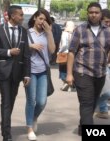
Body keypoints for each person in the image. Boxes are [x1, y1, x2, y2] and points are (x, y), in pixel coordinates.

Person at [66, 2, 110, 135]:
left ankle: (83, 126)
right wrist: (69, 74)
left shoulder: (107, 31)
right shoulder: (80, 30)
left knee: (92, 103)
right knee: (86, 103)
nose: (94, 15)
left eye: (96, 12)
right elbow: (71, 52)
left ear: (100, 14)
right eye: (91, 12)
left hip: (100, 73)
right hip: (82, 72)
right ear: (87, 13)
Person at [0, 5, 31, 141]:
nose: (22, 17)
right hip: (4, 71)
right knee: (6, 101)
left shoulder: (24, 31)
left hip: (17, 72)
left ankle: (4, 123)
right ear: (13, 16)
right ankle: (6, 134)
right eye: (20, 15)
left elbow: (26, 54)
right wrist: (8, 52)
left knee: (11, 101)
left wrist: (27, 74)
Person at [24, 8, 55, 140]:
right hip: (30, 71)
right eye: (40, 18)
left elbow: (52, 50)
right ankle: (29, 127)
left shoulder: (47, 34)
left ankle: (34, 117)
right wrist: (31, 46)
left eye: (45, 20)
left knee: (42, 101)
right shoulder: (27, 33)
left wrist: (49, 32)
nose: (42, 22)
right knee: (31, 100)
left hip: (43, 71)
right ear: (35, 18)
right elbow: (19, 49)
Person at [95, 8, 110, 119]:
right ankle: (102, 108)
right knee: (106, 92)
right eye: (106, 21)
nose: (108, 24)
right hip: (100, 66)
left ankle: (103, 109)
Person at [58, 21, 75, 91]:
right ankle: (70, 86)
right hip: (72, 54)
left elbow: (64, 44)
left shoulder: (64, 33)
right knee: (71, 69)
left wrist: (60, 51)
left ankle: (65, 83)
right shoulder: (74, 33)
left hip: (64, 53)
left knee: (62, 69)